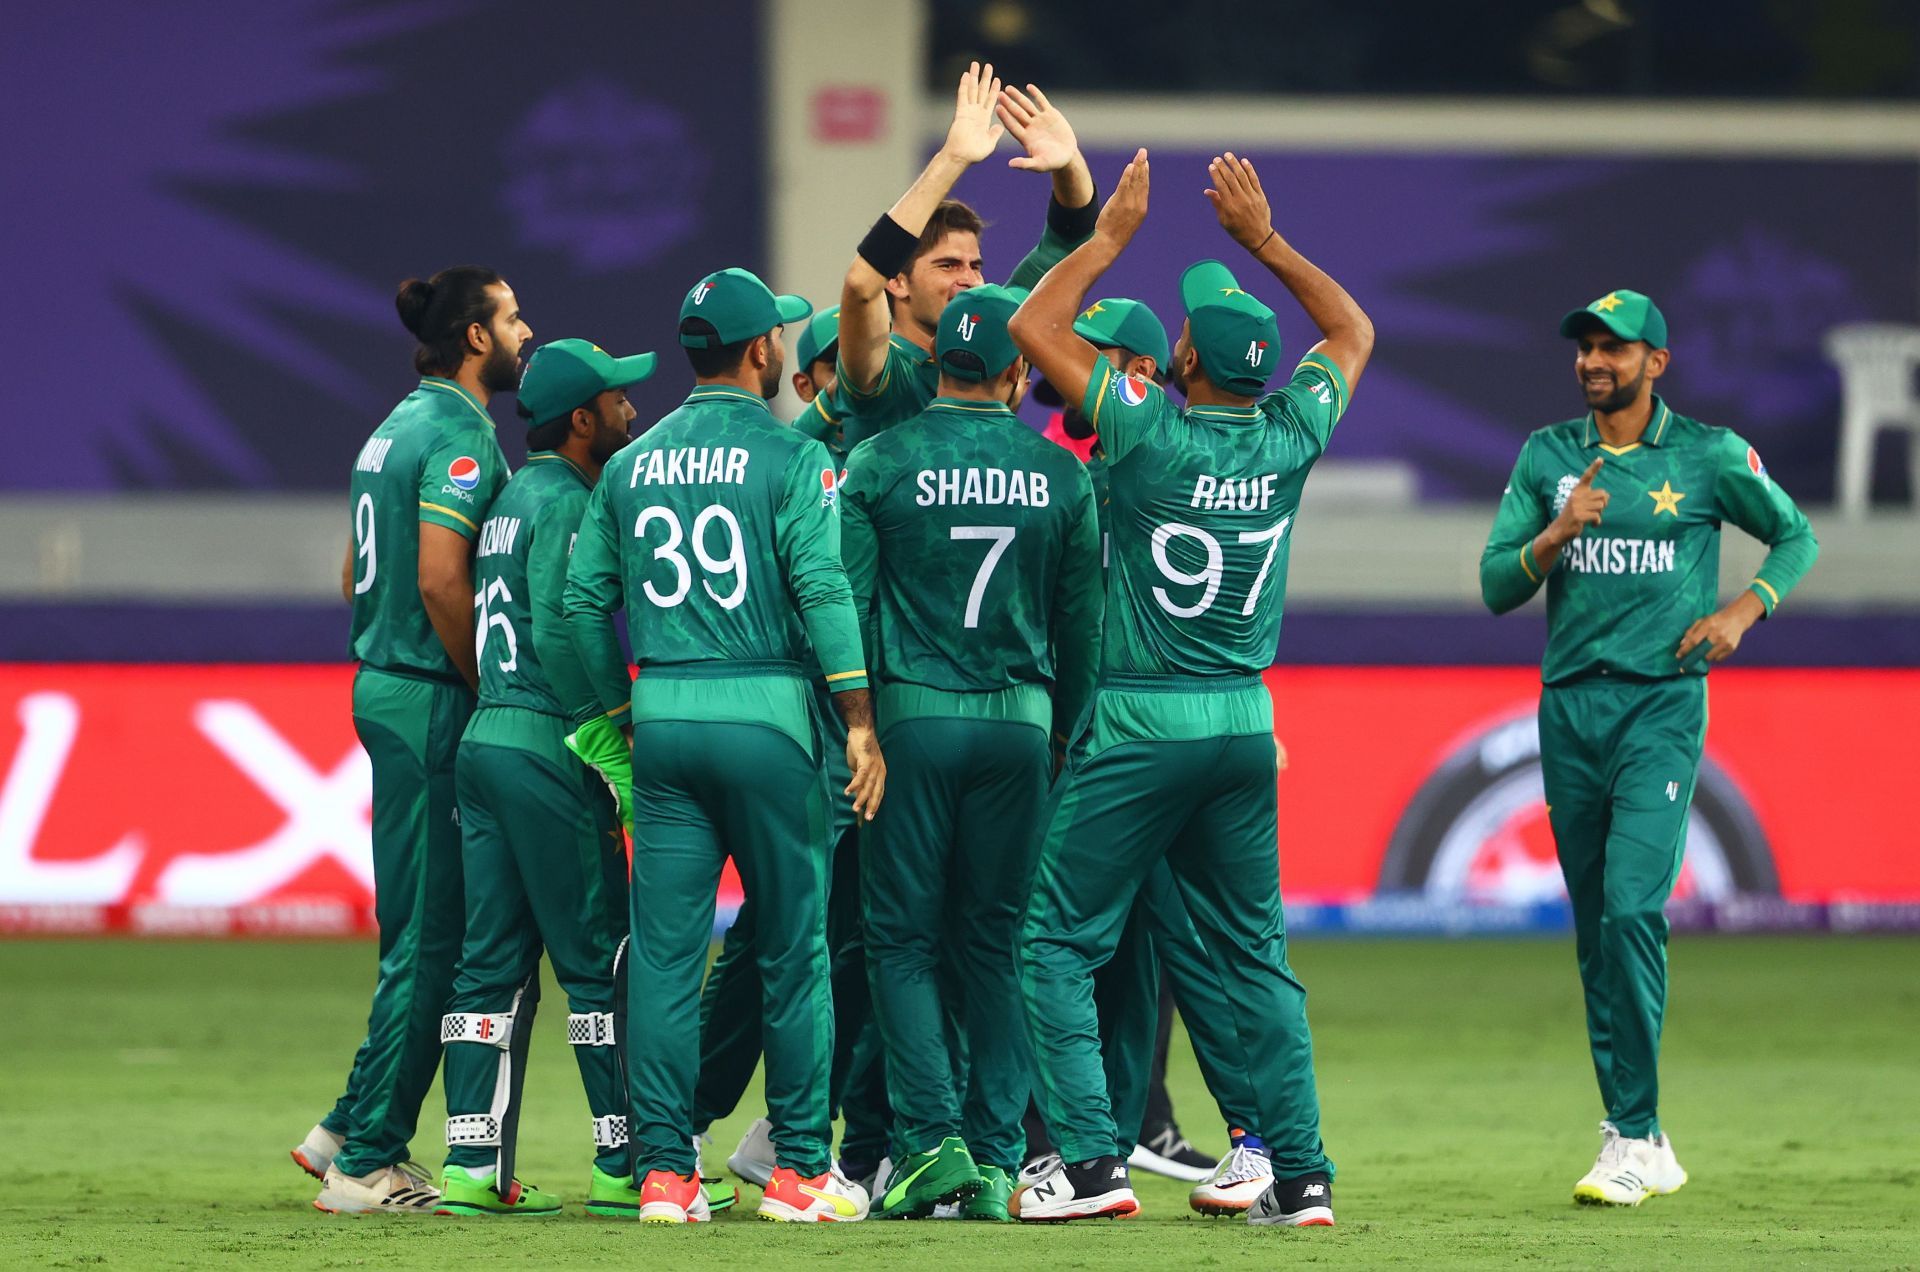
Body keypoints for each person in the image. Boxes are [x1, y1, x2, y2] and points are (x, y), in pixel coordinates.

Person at [1008, 150, 1373, 1227]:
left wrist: (1110, 236)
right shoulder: (1291, 433)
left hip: (1138, 719)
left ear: (1190, 365)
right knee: (1256, 954)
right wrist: (1265, 243)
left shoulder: (1142, 426)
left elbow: (1034, 331)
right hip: (1245, 723)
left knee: (1054, 940)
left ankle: (1086, 1166)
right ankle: (1300, 1175)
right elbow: (1351, 332)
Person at [1479, 289, 1818, 1207]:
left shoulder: (1706, 455)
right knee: (1596, 930)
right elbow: (1493, 585)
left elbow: (1794, 533)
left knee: (1632, 911)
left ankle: (1629, 1137)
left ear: (1655, 362)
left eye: (1613, 349)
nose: (1594, 362)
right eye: (1585, 347)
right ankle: (1644, 1133)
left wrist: (1745, 609)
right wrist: (1554, 534)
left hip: (1660, 709)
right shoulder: (1548, 457)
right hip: (1569, 714)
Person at [562, 267, 886, 1224]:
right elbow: (824, 590)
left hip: (663, 719)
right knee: (793, 950)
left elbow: (582, 604)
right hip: (772, 720)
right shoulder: (793, 459)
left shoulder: (631, 463)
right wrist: (860, 721)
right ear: (759, 352)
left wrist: (618, 713)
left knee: (666, 959)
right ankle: (796, 1172)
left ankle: (665, 1173)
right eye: (778, 337)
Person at [839, 284, 1103, 1221]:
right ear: (1018, 369)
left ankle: (929, 1147)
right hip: (1020, 727)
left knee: (902, 943)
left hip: (910, 721)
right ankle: (996, 1161)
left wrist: (856, 725)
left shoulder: (876, 463)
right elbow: (1083, 630)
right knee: (996, 944)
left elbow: (848, 613)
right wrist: (1064, 734)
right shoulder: (1063, 476)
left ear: (939, 362)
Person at [303, 266, 528, 1215]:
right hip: (433, 695)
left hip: (384, 686)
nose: (527, 332)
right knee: (434, 941)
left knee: (417, 931)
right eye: (513, 317)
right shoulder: (461, 436)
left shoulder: (391, 426)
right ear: (475, 338)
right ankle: (370, 1167)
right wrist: (489, 687)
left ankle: (343, 1131)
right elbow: (442, 580)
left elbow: (354, 568)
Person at [430, 339, 652, 1218]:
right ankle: (621, 1163)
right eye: (619, 401)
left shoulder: (511, 500)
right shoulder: (566, 503)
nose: (633, 411)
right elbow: (566, 627)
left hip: (488, 741)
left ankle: (471, 1167)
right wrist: (612, 731)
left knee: (489, 966)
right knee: (600, 961)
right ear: (583, 420)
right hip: (552, 744)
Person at [691, 301, 892, 1202]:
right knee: (791, 940)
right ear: (808, 381)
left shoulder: (863, 458)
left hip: (869, 733)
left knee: (842, 942)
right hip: (816, 740)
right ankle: (714, 1124)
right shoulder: (804, 467)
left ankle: (777, 1130)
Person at [831, 62, 1096, 451]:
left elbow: (1066, 241)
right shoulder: (881, 372)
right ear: (897, 280)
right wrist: (953, 158)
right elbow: (859, 285)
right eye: (948, 265)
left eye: (975, 266)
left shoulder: (1001, 331)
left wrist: (1069, 162)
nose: (969, 279)